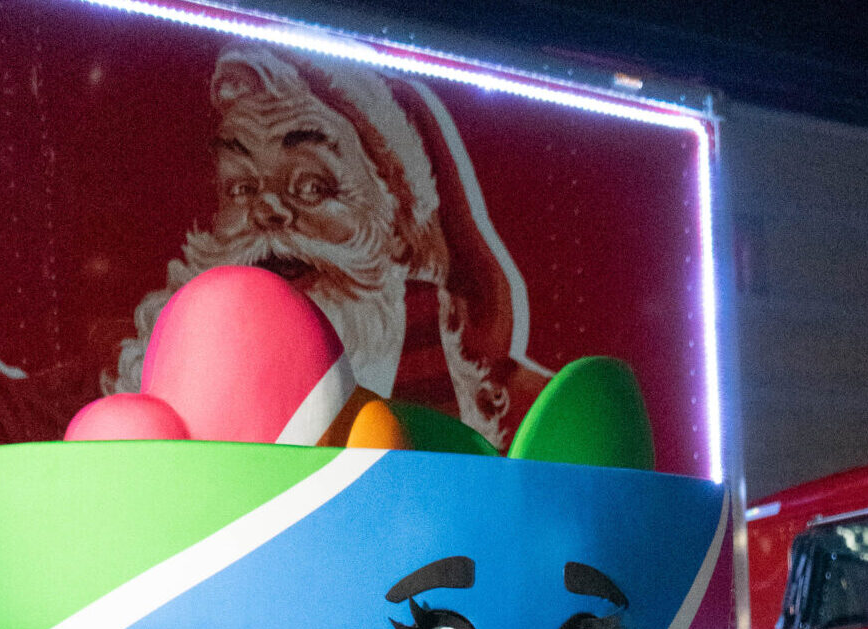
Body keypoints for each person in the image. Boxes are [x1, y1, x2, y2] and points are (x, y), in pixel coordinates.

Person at [110, 44, 548, 448]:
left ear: (396, 214)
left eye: (312, 186)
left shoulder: (530, 415)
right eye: (241, 189)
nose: (269, 213)